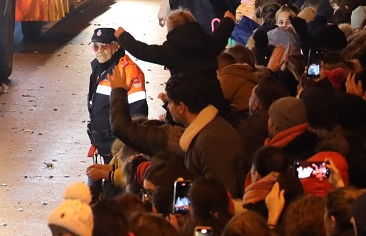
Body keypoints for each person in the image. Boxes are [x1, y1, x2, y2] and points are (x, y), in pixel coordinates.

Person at [109, 69, 246, 197]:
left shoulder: (211, 139)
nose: (167, 106)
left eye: (170, 102)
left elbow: (222, 194)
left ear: (181, 107)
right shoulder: (208, 128)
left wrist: (118, 91)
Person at [87, 25, 147, 163]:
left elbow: (138, 113)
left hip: (118, 148)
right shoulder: (98, 67)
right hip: (103, 145)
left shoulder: (128, 71)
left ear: (117, 46)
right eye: (95, 47)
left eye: (105, 46)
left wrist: (127, 148)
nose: (100, 51)